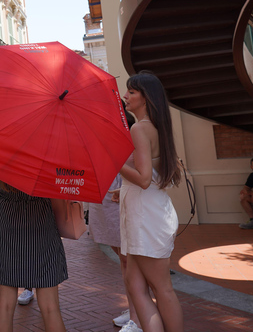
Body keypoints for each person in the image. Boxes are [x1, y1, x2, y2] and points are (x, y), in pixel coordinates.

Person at [119, 71, 183, 332]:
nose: (125, 96)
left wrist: (113, 161)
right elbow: (151, 177)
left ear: (145, 99)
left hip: (146, 216)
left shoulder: (139, 128)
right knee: (135, 288)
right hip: (144, 211)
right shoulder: (155, 126)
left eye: (131, 92)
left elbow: (143, 179)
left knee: (161, 288)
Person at [0, 174, 67, 332]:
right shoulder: (47, 152)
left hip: (7, 224)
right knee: (50, 308)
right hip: (41, 223)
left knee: (4, 306)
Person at [90, 104, 140, 329]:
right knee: (122, 257)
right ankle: (133, 308)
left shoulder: (131, 131)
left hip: (121, 195)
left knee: (130, 259)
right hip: (104, 196)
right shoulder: (97, 132)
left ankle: (138, 312)